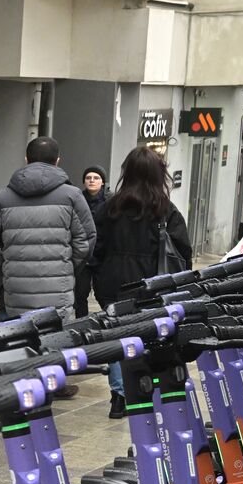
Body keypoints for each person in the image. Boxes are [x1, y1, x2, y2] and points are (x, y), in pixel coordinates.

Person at [0, 136, 94, 399]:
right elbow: (86, 240)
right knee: (53, 337)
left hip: (16, 288)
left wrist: (5, 262)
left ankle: (21, 388)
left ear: (26, 160)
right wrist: (67, 267)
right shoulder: (72, 196)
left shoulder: (4, 196)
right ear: (57, 161)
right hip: (57, 287)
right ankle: (53, 386)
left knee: (17, 337)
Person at [91, 146, 192, 418]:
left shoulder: (109, 208)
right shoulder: (166, 210)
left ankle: (119, 394)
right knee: (150, 335)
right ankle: (148, 387)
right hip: (152, 284)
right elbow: (182, 252)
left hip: (113, 282)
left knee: (118, 337)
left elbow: (95, 249)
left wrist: (97, 278)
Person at [76, 165, 110, 318]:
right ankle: (81, 325)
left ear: (102, 182)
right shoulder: (77, 199)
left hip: (103, 255)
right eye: (88, 178)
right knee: (80, 295)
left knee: (103, 294)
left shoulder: (111, 200)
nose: (92, 181)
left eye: (96, 178)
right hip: (83, 254)